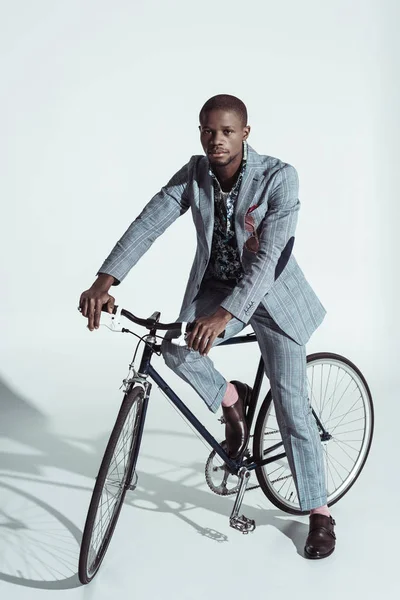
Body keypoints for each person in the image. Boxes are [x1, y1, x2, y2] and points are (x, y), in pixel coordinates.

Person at [79, 94, 336, 559]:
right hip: (215, 289)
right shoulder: (195, 173)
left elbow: (271, 259)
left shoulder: (279, 176)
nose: (216, 140)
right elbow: (148, 223)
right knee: (171, 345)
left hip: (272, 299)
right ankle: (232, 399)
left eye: (226, 131)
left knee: (291, 410)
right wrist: (104, 280)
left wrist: (226, 317)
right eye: (207, 130)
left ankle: (319, 512)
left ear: (245, 133)